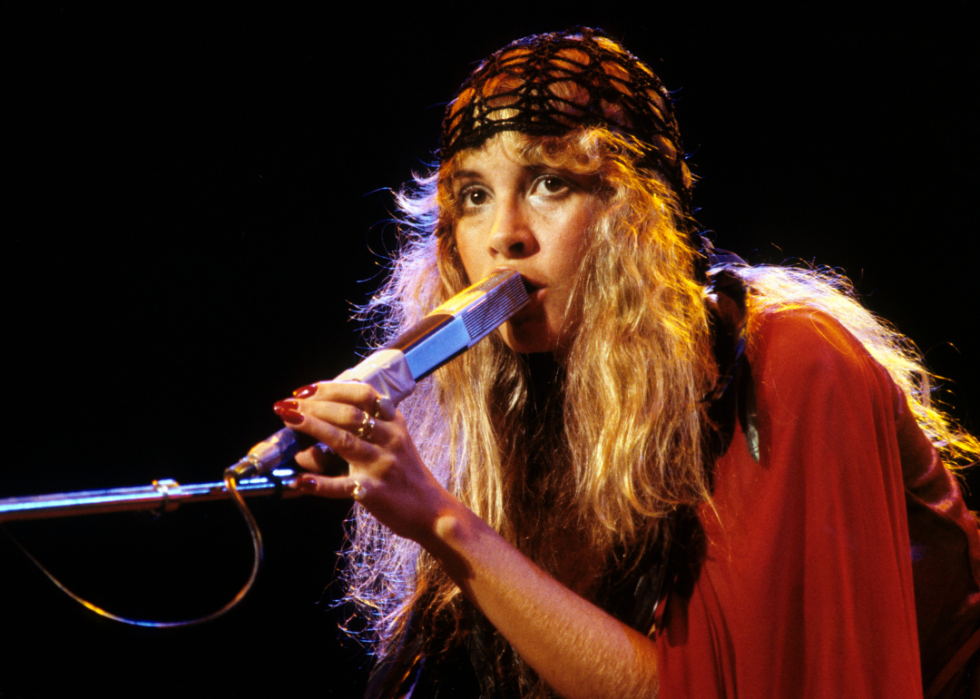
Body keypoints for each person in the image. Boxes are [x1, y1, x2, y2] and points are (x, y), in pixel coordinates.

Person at [272, 28, 980, 698]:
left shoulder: (788, 363)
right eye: (475, 197)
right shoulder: (528, 401)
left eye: (551, 182)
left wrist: (445, 522)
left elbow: (713, 688)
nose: (504, 237)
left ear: (633, 214)